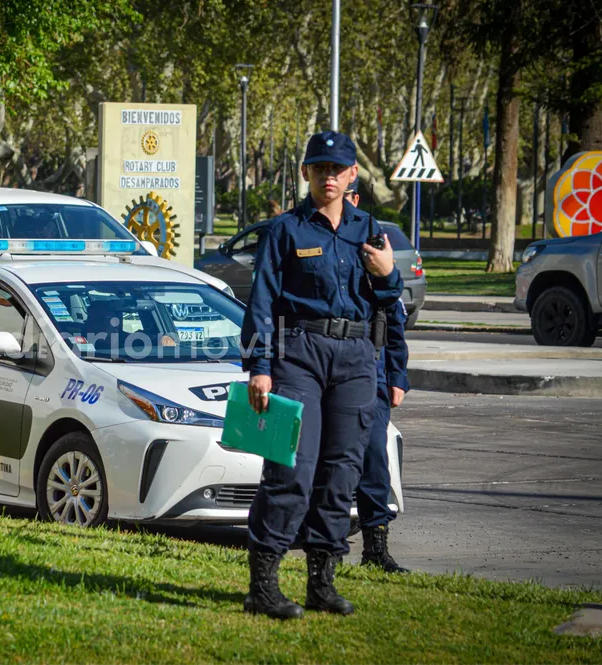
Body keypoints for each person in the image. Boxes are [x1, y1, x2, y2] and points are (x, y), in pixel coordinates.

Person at [240, 131, 403, 620]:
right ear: (306, 173)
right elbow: (262, 302)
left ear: (353, 175)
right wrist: (260, 367)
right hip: (300, 354)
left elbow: (389, 304)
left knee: (341, 474)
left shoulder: (369, 229)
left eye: (337, 169)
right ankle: (263, 586)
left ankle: (321, 583)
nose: (328, 176)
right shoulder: (286, 230)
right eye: (319, 168)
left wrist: (389, 273)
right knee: (292, 469)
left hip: (356, 357)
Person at [344, 178, 411, 574]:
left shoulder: (373, 243)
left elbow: (394, 317)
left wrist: (397, 375)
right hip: (326, 363)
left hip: (372, 366)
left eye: (352, 197)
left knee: (373, 461)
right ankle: (326, 543)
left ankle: (375, 546)